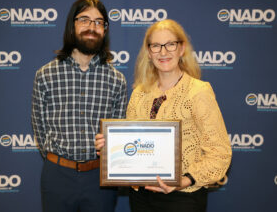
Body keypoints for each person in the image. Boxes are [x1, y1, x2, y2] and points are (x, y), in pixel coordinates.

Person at [95, 19, 232, 212]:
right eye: (156, 46)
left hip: (183, 198)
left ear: (181, 48)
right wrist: (110, 149)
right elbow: (133, 145)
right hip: (141, 197)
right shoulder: (139, 93)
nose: (163, 52)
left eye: (170, 44)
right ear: (149, 53)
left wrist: (184, 181)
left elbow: (220, 152)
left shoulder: (198, 92)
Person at [31, 0, 127, 212]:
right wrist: (57, 163)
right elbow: (39, 127)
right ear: (72, 26)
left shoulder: (117, 80)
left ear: (105, 29)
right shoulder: (45, 75)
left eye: (98, 22)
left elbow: (118, 133)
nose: (91, 27)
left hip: (100, 179)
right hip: (57, 175)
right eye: (84, 19)